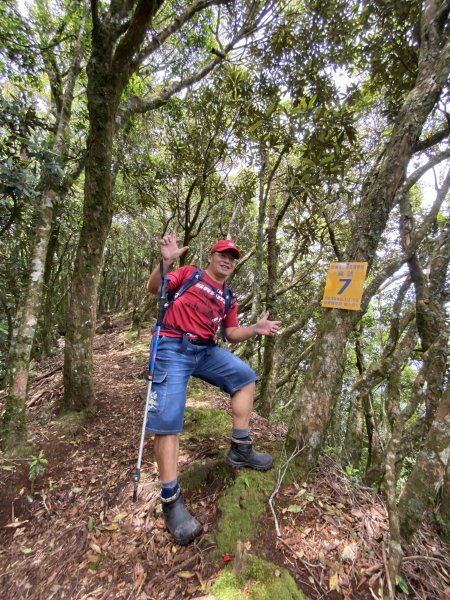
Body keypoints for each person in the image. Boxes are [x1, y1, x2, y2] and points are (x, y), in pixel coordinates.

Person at [146, 231, 281, 545]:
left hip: (205, 351)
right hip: (171, 345)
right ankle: (170, 500)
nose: (228, 260)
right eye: (223, 254)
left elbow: (231, 333)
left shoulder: (228, 297)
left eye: (233, 258)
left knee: (245, 378)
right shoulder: (189, 273)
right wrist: (165, 263)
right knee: (168, 423)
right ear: (210, 256)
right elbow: (154, 288)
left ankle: (240, 448)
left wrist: (255, 328)